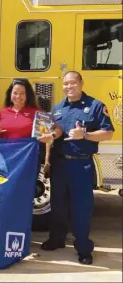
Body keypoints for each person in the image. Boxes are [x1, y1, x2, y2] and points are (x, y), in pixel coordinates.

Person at [38, 71, 114, 265]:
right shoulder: (57, 109)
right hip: (59, 164)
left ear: (81, 83)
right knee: (58, 206)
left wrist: (85, 135)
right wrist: (48, 158)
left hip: (81, 164)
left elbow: (108, 134)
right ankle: (57, 239)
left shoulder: (95, 106)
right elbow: (52, 135)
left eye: (72, 83)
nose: (68, 87)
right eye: (65, 84)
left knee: (81, 209)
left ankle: (83, 248)